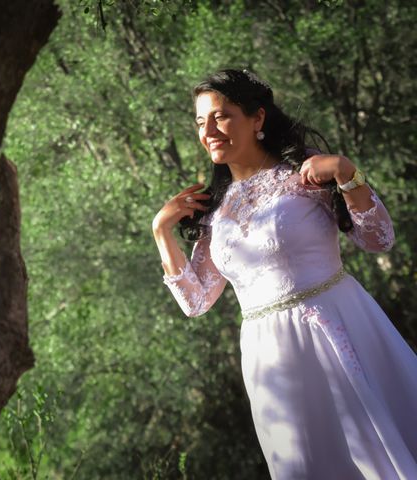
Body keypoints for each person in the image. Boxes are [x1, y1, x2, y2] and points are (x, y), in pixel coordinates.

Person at [152, 69, 417, 479]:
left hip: (335, 327)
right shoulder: (214, 211)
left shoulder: (304, 174)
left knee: (374, 452)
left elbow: (378, 239)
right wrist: (161, 232)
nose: (209, 131)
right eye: (201, 121)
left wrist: (347, 173)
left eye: (221, 116)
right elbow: (197, 301)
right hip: (268, 358)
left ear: (257, 119)